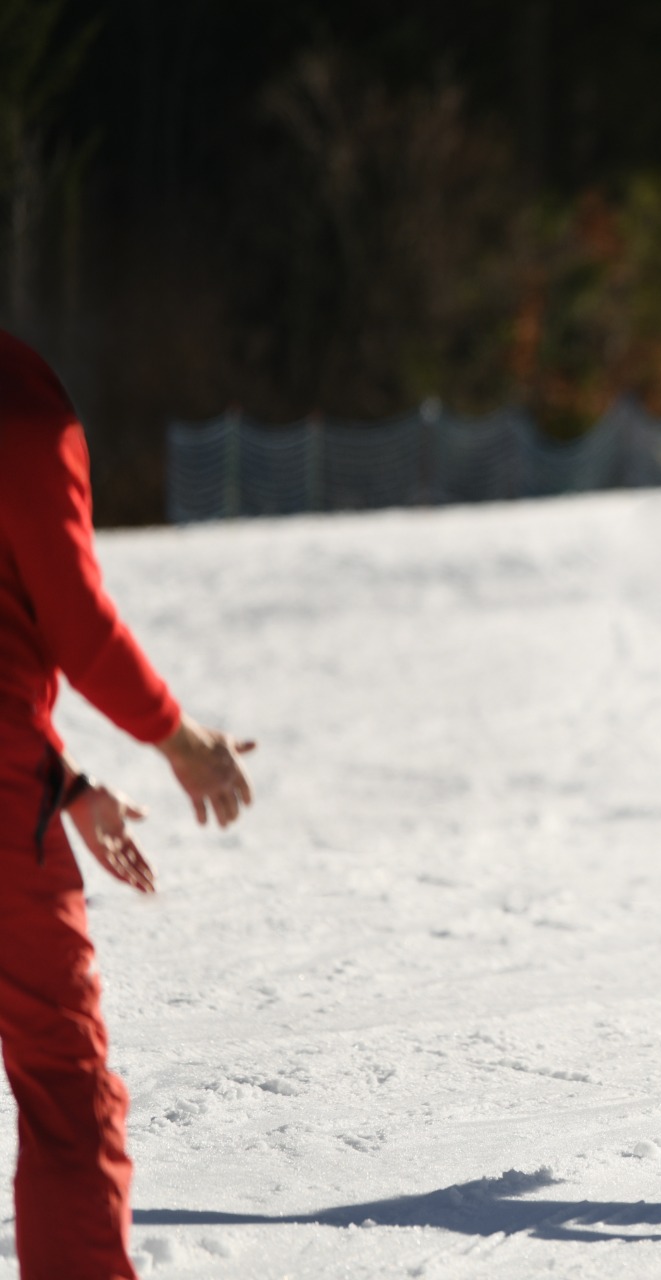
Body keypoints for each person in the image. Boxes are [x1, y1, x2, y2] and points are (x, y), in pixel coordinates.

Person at [1, 328, 256, 1279]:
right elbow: (73, 618)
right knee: (65, 1092)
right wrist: (181, 742)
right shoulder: (20, 400)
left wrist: (60, 780)